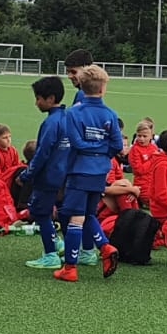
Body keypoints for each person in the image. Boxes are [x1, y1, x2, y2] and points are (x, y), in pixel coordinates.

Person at [56, 65, 123, 282]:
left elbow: (76, 143)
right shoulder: (110, 114)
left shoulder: (73, 113)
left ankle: (70, 268)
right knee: (89, 214)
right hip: (100, 171)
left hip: (79, 170)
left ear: (81, 87)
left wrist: (90, 150)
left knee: (76, 217)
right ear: (103, 88)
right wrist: (102, 152)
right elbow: (117, 145)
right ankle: (105, 247)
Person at [20, 76, 71, 268]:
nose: (36, 103)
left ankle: (51, 254)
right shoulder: (68, 118)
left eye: (38, 98)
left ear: (50, 99)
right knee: (65, 214)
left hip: (49, 177)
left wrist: (27, 175)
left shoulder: (51, 122)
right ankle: (68, 250)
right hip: (66, 176)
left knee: (41, 213)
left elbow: (42, 153)